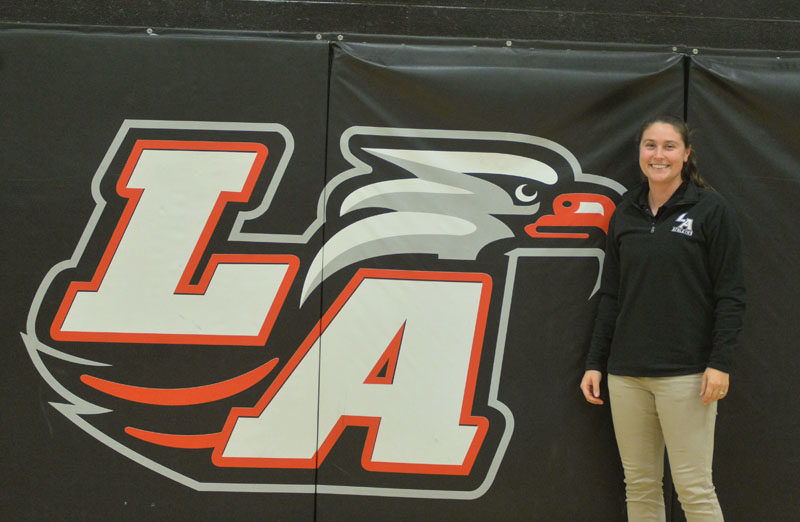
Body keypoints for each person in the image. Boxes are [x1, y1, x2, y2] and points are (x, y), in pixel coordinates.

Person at [580, 115, 745, 522]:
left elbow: (731, 295)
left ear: (687, 154)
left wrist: (719, 362)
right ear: (639, 152)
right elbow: (612, 295)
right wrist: (594, 362)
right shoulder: (624, 214)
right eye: (650, 145)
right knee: (639, 484)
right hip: (626, 375)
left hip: (686, 376)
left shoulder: (712, 211)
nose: (659, 155)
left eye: (669, 146)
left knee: (693, 487)